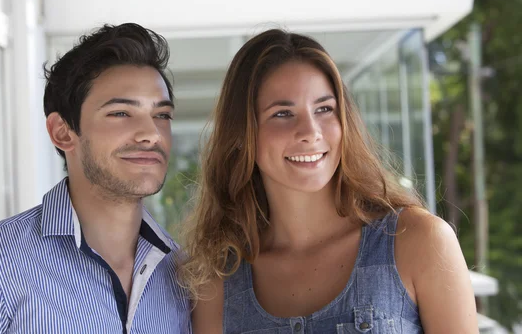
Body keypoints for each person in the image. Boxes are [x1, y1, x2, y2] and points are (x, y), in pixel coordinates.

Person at [180, 28, 477, 333]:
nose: (311, 131)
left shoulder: (418, 241)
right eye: (283, 113)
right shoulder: (218, 279)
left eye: (324, 109)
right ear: (242, 136)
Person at [0, 23, 191, 333]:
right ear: (63, 132)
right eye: (121, 113)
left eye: (162, 115)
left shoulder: (183, 276)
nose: (151, 134)